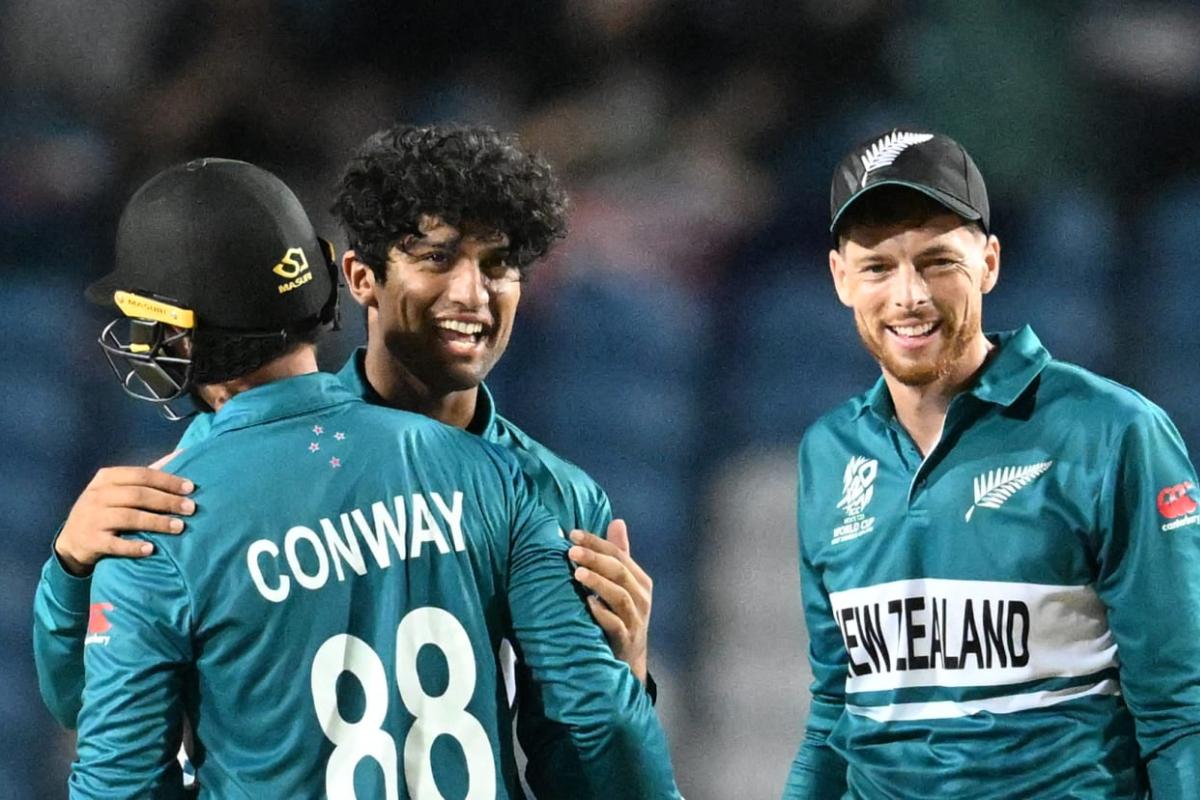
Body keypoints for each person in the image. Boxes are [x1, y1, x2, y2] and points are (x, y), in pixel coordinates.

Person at [33, 124, 659, 793]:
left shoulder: (175, 507)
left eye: (499, 264)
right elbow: (601, 736)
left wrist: (630, 672)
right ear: (348, 281)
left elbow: (109, 752)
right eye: (438, 259)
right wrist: (73, 568)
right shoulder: (507, 486)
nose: (472, 296)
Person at [783, 129, 1200, 799]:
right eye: (878, 267)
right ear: (840, 278)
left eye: (937, 261)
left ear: (990, 263)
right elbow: (837, 710)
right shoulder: (827, 455)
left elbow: (1182, 712)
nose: (909, 295)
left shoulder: (1113, 433)